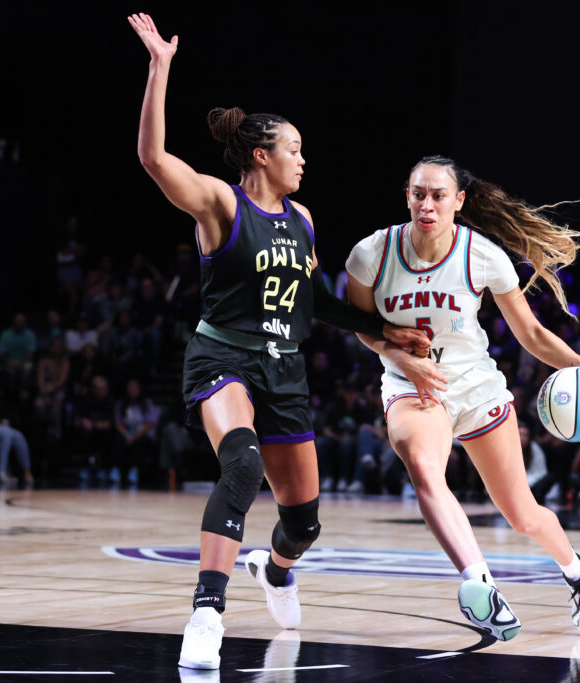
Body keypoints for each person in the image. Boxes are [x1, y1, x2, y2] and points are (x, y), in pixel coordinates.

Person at [127, 13, 428, 671]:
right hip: (223, 355)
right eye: (294, 148)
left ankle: (279, 568)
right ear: (261, 155)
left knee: (305, 522)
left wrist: (383, 332)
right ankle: (207, 611)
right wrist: (160, 68)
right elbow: (153, 158)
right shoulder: (220, 205)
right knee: (241, 465)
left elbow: (316, 301)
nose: (303, 158)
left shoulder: (303, 219)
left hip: (284, 370)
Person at [345, 155, 580, 640]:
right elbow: (362, 326)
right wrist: (399, 357)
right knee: (425, 469)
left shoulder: (482, 255)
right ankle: (479, 583)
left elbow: (531, 334)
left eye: (438, 195)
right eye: (418, 193)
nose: (426, 203)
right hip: (413, 387)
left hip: (475, 388)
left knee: (521, 514)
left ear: (459, 201)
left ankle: (577, 573)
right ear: (406, 196)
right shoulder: (371, 254)